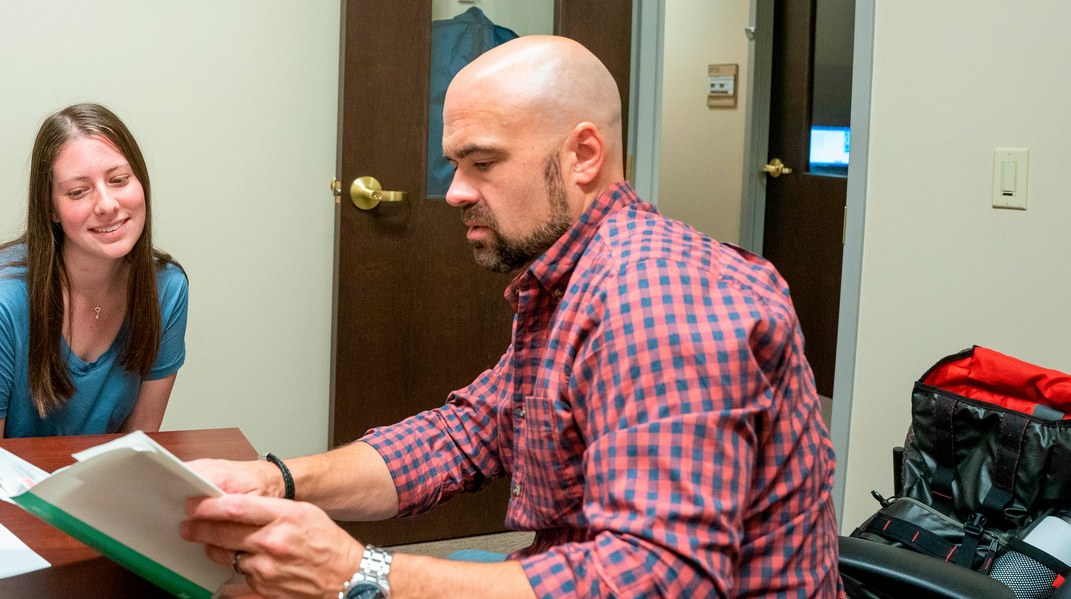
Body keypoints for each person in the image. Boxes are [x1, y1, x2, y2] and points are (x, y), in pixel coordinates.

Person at [180, 36, 839, 598]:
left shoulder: (657, 297)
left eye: (484, 163)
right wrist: (276, 478)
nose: (457, 191)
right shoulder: (574, 277)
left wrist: (361, 571)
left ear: (582, 156)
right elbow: (463, 436)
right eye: (456, 166)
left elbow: (655, 579)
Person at [0, 103, 187, 442]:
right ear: (51, 208)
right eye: (78, 191)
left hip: (61, 484)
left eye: (119, 180)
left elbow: (135, 448)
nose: (107, 205)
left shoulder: (166, 288)